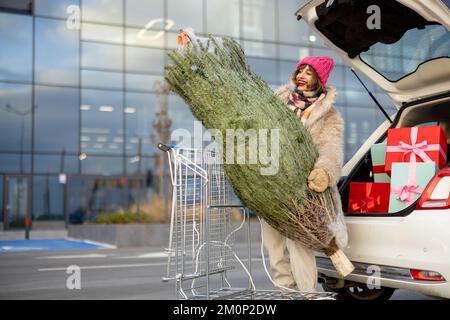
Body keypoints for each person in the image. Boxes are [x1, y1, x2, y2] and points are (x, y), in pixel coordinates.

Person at [261, 56, 346, 292]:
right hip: (269, 185)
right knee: (274, 246)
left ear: (319, 80)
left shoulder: (329, 115)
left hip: (301, 190)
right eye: (301, 70)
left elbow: (331, 148)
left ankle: (308, 294)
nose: (302, 75)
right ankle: (285, 293)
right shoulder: (277, 101)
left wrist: (324, 172)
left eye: (309, 72)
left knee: (299, 245)